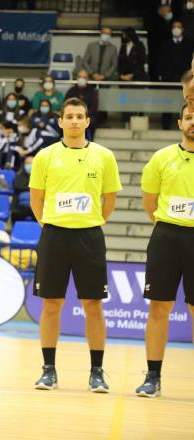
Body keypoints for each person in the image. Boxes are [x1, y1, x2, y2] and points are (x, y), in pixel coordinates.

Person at [29, 97, 122, 393]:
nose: (74, 121)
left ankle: (96, 372)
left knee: (93, 305)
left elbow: (109, 201)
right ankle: (48, 370)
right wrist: (51, 223)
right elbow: (36, 199)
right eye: (68, 116)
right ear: (60, 121)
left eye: (79, 116)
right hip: (54, 235)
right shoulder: (45, 156)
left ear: (87, 121)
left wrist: (91, 221)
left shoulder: (104, 156)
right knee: (52, 304)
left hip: (90, 236)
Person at [135, 103, 194, 398]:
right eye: (189, 117)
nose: (193, 122)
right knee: (159, 308)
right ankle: (153, 376)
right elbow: (150, 203)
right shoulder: (162, 158)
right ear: (180, 122)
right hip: (167, 236)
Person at [159, 21, 194, 129]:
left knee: (186, 101)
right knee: (166, 101)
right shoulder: (165, 43)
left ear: (183, 29)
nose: (176, 29)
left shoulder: (189, 43)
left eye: (178, 27)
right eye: (174, 27)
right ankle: (166, 125)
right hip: (168, 78)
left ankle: (186, 124)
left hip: (185, 79)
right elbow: (160, 61)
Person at [65, 70, 100, 139]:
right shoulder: (71, 91)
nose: (82, 79)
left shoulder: (92, 92)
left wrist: (81, 116)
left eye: (84, 77)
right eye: (80, 77)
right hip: (72, 116)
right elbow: (66, 105)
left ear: (87, 79)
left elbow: (94, 108)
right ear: (76, 78)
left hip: (86, 116)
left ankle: (89, 141)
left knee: (92, 121)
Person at [147, 4, 174, 81]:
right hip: (157, 55)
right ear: (162, 12)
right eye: (168, 11)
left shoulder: (170, 22)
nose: (170, 13)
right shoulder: (156, 24)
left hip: (166, 55)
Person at [11, 156, 35, 222]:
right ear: (24, 165)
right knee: (15, 213)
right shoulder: (18, 176)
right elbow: (17, 186)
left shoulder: (41, 177)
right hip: (21, 206)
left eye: (32, 164)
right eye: (28, 164)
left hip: (37, 206)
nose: (30, 166)